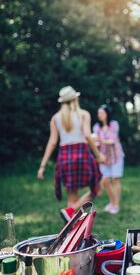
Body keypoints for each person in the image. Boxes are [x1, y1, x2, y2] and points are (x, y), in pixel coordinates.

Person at [37, 86, 105, 222]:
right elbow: (87, 135)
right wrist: (98, 155)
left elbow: (52, 142)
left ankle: (71, 226)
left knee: (72, 196)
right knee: (96, 189)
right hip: (82, 155)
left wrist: (42, 166)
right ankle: (71, 214)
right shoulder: (84, 114)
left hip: (65, 157)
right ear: (75, 98)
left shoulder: (55, 118)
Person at [93, 104, 125, 214]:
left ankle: (116, 205)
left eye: (102, 113)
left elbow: (112, 141)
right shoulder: (97, 127)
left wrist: (98, 139)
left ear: (107, 113)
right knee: (105, 180)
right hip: (104, 157)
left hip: (116, 155)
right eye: (98, 113)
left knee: (115, 180)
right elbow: (96, 142)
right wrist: (96, 144)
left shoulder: (113, 124)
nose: (100, 115)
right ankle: (112, 202)